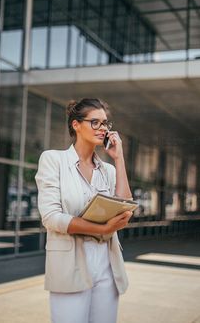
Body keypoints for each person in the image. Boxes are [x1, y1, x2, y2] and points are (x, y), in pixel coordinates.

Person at [35, 98, 133, 323]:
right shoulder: (53, 160)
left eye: (106, 123)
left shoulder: (107, 170)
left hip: (107, 265)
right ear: (76, 125)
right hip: (69, 264)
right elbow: (51, 218)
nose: (103, 129)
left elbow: (125, 205)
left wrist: (118, 159)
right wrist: (102, 228)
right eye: (95, 122)